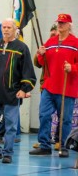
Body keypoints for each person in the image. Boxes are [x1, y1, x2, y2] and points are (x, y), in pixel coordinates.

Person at [0, 18, 36, 164]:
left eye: (9, 27)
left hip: (12, 93)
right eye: (4, 27)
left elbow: (28, 71)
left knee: (11, 126)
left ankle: (7, 153)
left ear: (14, 29)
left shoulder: (21, 47)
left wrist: (24, 89)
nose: (6, 30)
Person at [29, 13, 78, 158]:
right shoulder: (50, 41)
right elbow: (42, 63)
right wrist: (40, 54)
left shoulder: (75, 43)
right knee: (44, 115)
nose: (60, 25)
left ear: (69, 25)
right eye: (59, 23)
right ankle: (44, 145)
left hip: (66, 88)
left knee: (65, 119)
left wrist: (72, 68)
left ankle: (63, 146)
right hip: (49, 87)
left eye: (63, 23)